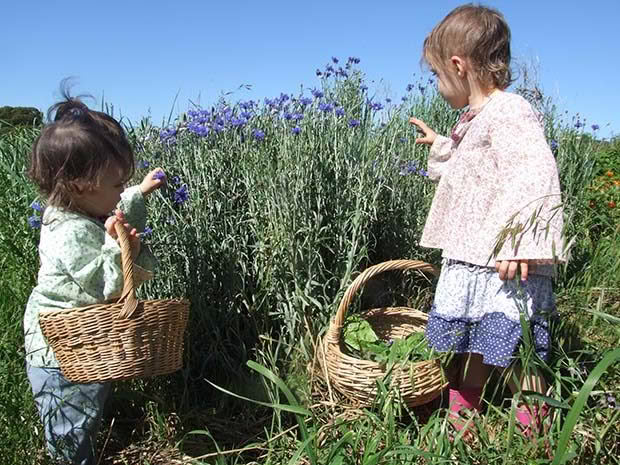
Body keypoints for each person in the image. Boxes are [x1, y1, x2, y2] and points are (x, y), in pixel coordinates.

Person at [409, 4, 565, 437]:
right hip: (474, 254)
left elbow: (534, 171)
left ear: (458, 66)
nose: (438, 85)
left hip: (506, 258)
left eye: (438, 75)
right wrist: (441, 144)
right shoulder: (474, 120)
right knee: (478, 338)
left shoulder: (510, 112)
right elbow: (468, 168)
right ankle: (464, 411)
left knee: (514, 346)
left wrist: (523, 241)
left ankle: (536, 426)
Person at [24, 86, 166, 464]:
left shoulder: (83, 209)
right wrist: (118, 249)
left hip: (82, 345)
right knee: (70, 429)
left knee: (84, 415)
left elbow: (113, 203)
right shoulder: (68, 231)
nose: (121, 194)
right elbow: (106, 286)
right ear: (80, 185)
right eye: (118, 185)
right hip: (60, 354)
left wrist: (139, 191)